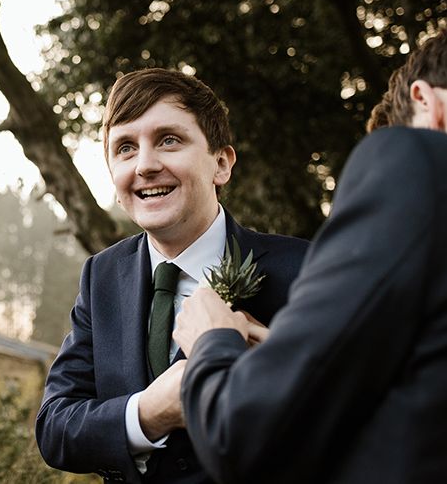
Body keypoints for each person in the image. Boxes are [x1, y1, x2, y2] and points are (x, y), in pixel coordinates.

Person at [174, 22, 447, 484]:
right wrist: (294, 355)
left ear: (426, 102)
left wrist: (210, 342)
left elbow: (242, 437)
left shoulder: (412, 159)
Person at [36, 68, 308, 483]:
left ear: (221, 163)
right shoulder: (101, 275)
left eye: (169, 140)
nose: (145, 165)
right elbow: (56, 427)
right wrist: (147, 413)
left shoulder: (306, 270)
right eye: (125, 148)